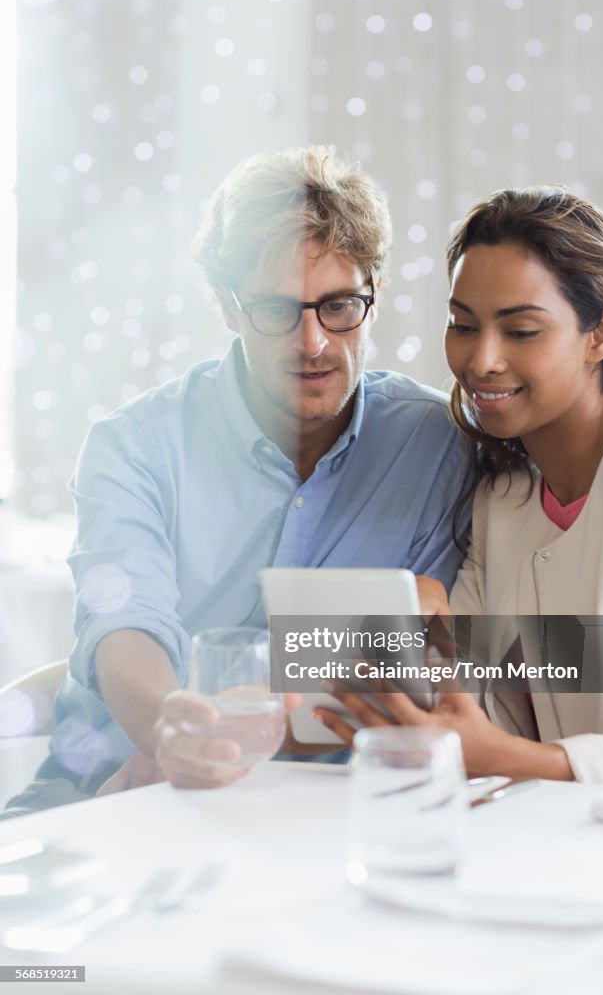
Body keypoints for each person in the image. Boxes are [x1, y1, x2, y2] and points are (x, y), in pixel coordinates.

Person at [3, 145, 471, 817]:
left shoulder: (434, 445)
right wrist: (171, 731)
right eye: (276, 311)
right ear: (226, 305)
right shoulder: (134, 446)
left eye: (339, 306)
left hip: (318, 805)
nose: (312, 342)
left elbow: (416, 665)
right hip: (104, 789)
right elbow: (128, 629)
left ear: (374, 291)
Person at [316, 185, 603, 785]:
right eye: (463, 325)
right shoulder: (504, 496)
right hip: (534, 846)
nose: (481, 360)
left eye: (521, 331)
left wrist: (501, 758)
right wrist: (428, 650)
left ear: (601, 334)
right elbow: (486, 701)